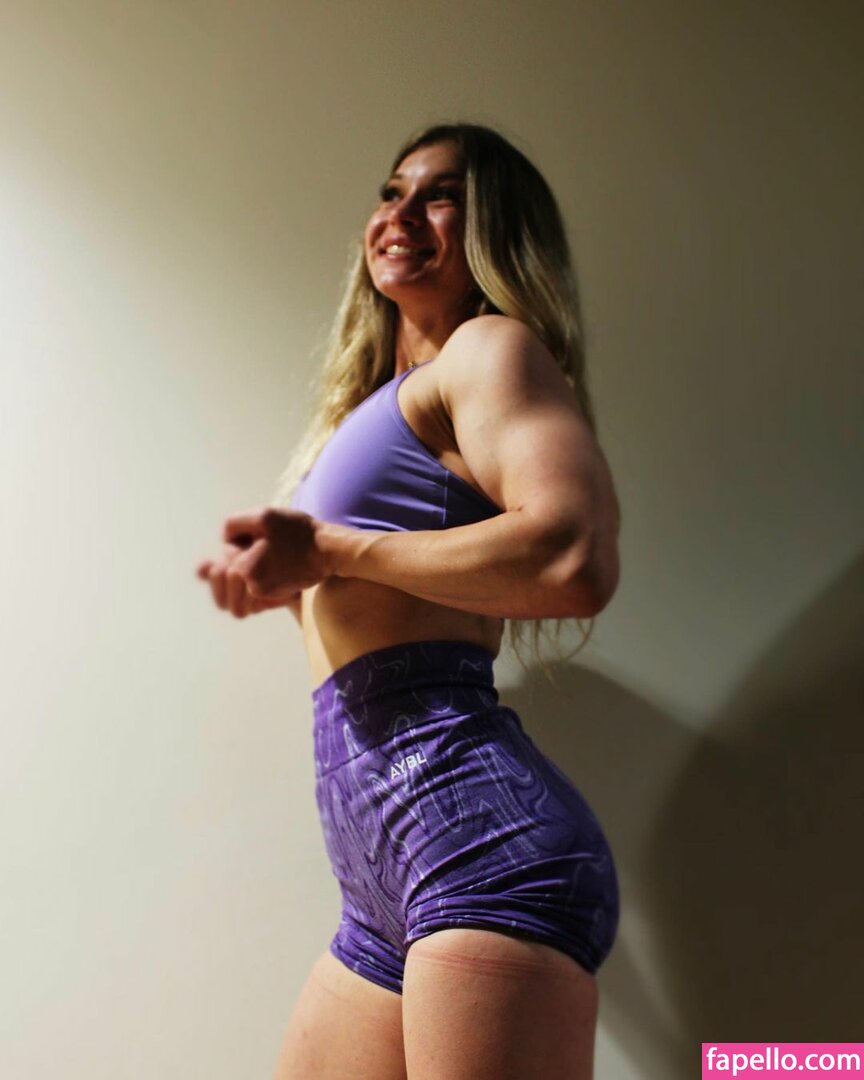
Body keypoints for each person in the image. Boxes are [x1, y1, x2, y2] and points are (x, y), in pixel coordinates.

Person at [196, 123, 622, 1080]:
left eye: (441, 196)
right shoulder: (376, 406)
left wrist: (333, 550)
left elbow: (574, 554)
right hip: (378, 887)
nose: (401, 213)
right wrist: (290, 581)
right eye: (392, 192)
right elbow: (387, 597)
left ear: (492, 231)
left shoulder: (489, 351)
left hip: (477, 848)